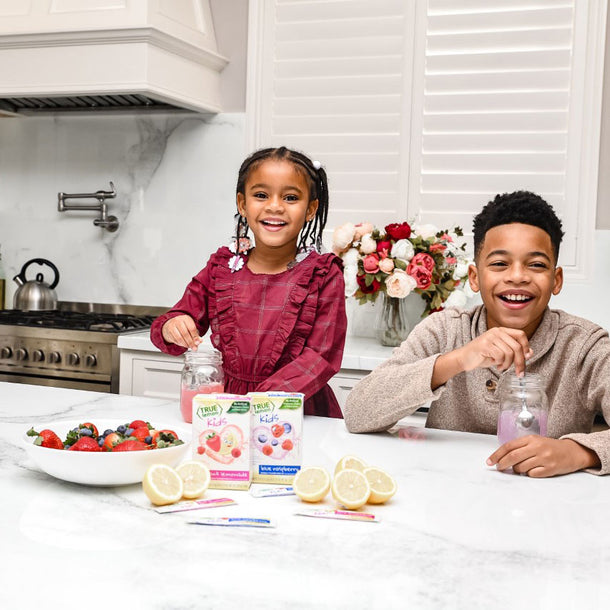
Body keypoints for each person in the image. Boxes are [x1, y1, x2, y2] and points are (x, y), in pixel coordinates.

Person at [343, 191, 610, 476]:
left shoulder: (586, 347)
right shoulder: (443, 330)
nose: (517, 276)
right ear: (474, 277)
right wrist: (457, 360)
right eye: (499, 264)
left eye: (536, 265)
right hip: (448, 500)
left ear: (556, 281)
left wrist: (579, 452)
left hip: (544, 508)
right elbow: (358, 412)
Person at [150, 146, 347, 418]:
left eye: (290, 197)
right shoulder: (221, 267)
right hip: (229, 407)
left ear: (311, 209)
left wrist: (262, 402)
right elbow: (179, 316)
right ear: (242, 204)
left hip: (296, 409)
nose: (275, 206)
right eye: (261, 195)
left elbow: (321, 357)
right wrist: (173, 326)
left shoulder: (323, 274)